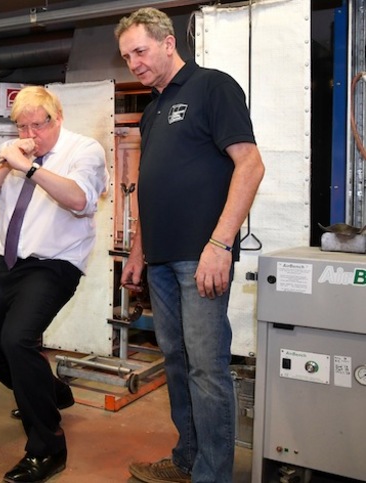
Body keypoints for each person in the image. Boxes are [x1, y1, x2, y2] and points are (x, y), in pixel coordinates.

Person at [115, 8, 265, 483]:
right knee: (178, 365)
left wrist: (220, 244)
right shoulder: (153, 109)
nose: (133, 63)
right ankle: (187, 461)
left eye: (140, 51)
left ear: (167, 42)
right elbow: (150, 186)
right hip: (160, 260)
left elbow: (251, 165)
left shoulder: (212, 87)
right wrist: (139, 249)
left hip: (201, 258)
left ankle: (212, 475)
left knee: (206, 368)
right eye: (126, 56)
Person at [0, 86, 108, 482]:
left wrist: (29, 168)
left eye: (38, 125)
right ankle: (51, 393)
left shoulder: (84, 150)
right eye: (22, 126)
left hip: (54, 263)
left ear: (57, 117)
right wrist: (3, 165)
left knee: (17, 340)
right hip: (8, 262)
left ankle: (47, 447)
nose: (30, 134)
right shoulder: (10, 152)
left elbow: (79, 200)